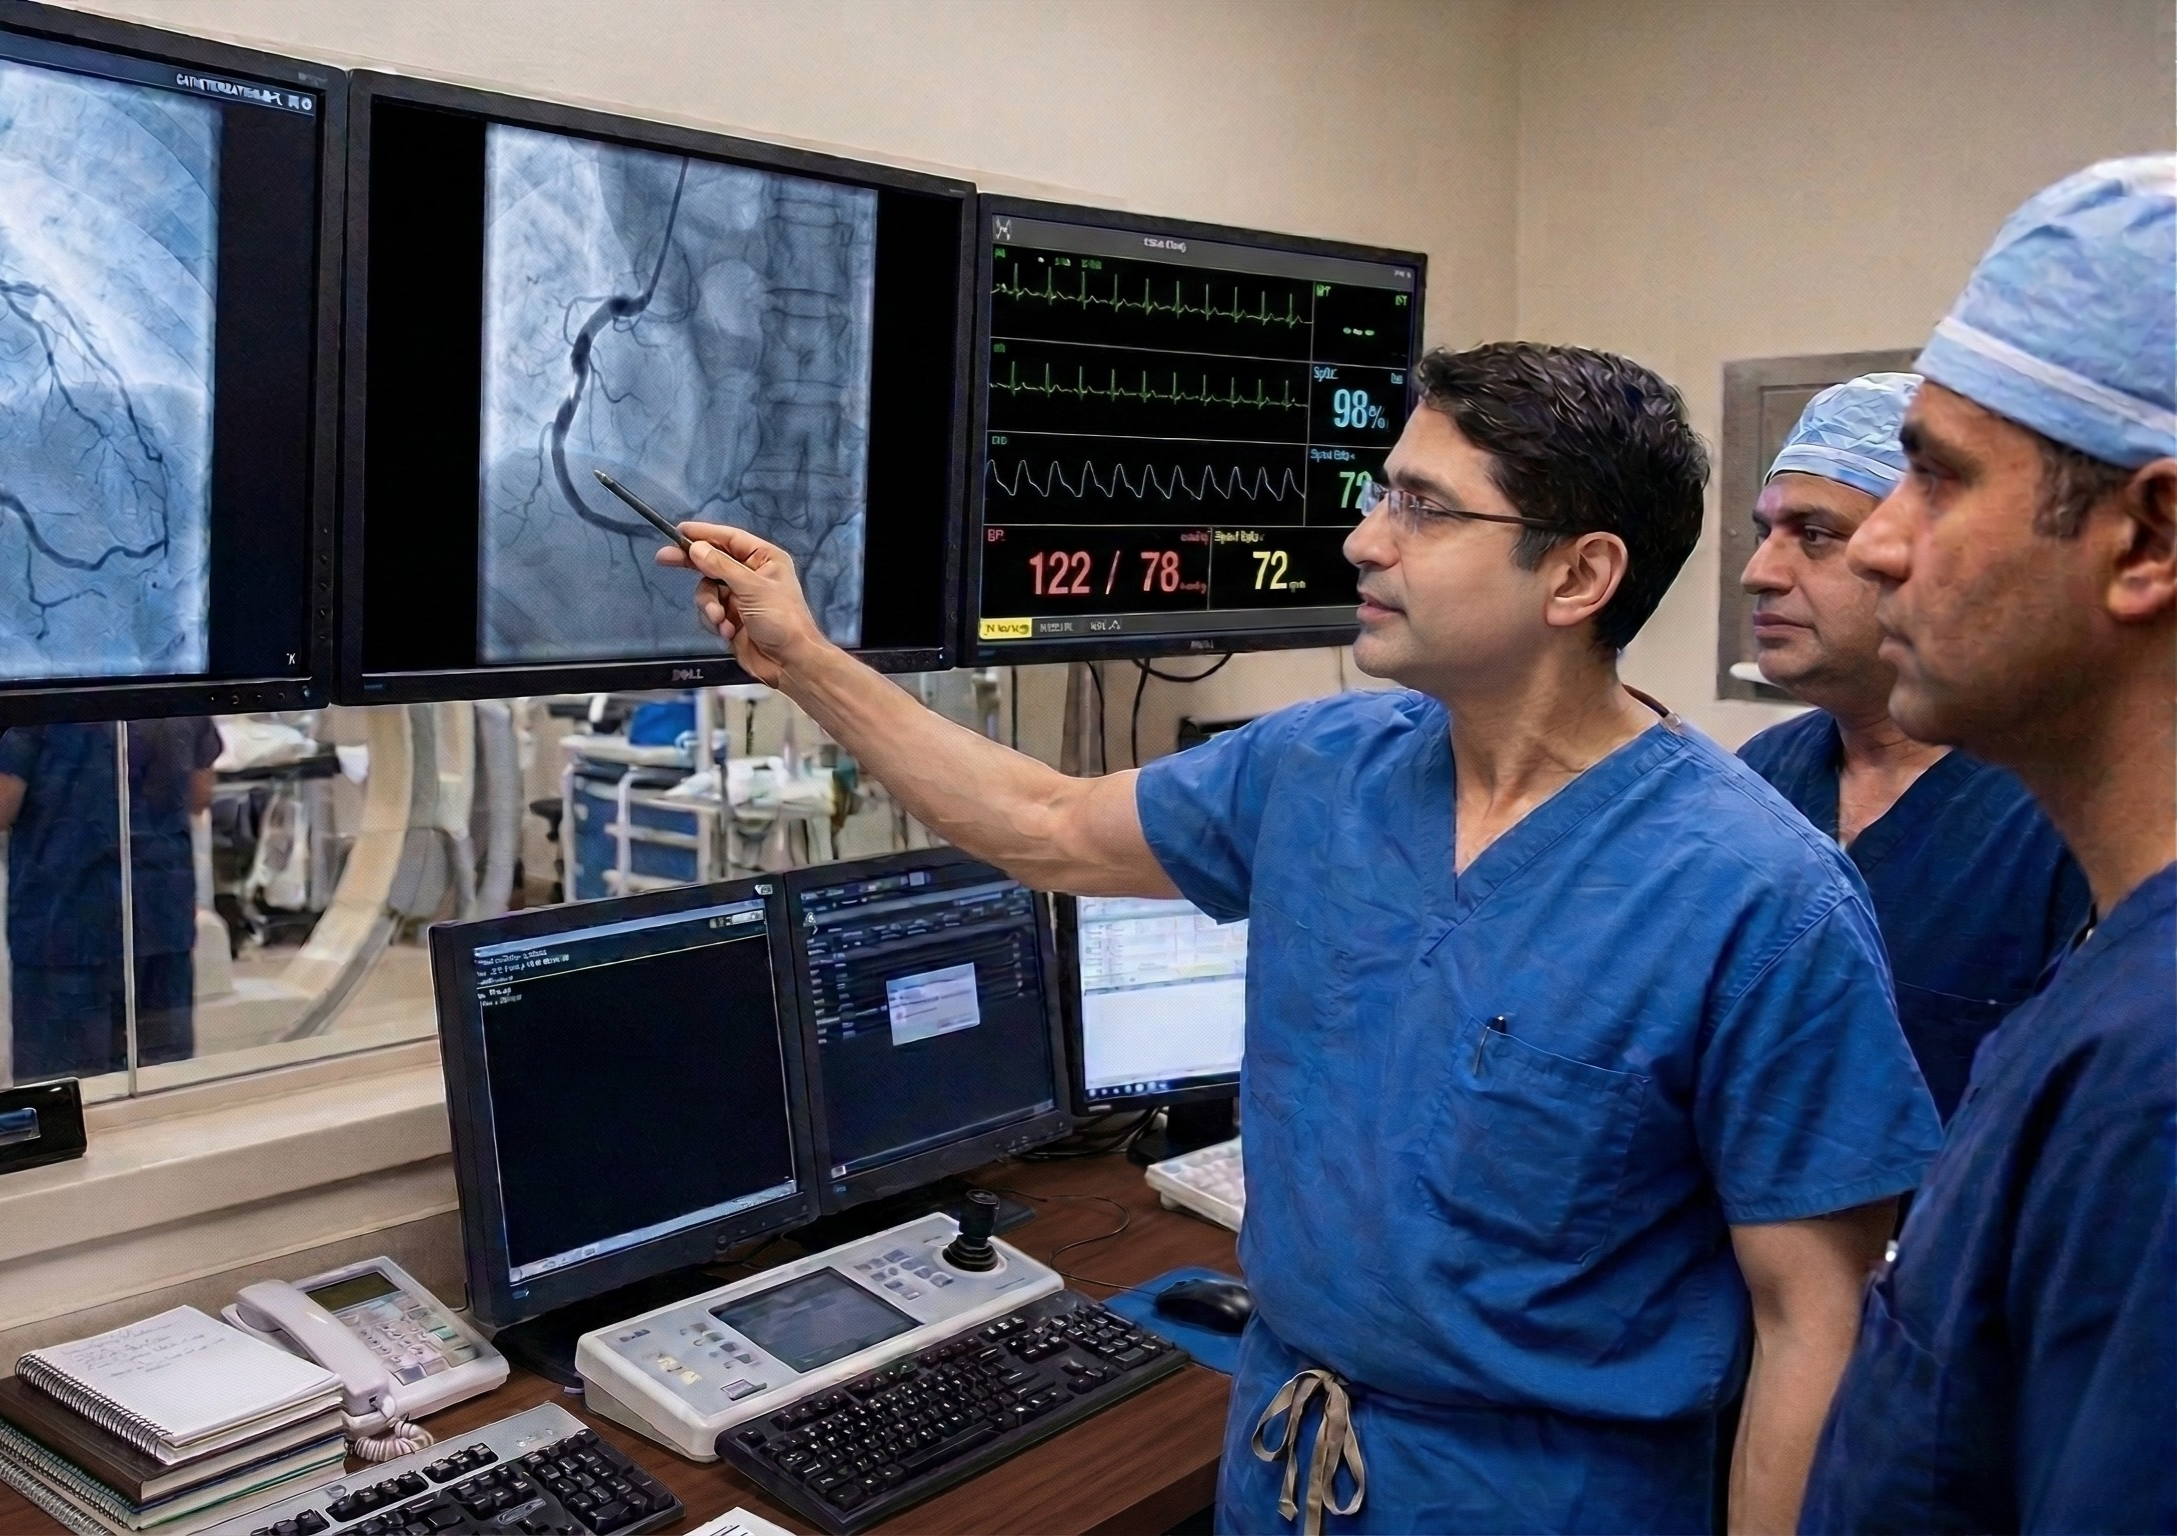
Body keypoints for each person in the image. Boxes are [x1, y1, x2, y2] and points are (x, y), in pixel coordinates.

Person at [661, 342, 1943, 1534]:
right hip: (1285, 1459)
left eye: (1425, 510)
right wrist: (805, 659)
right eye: (1382, 493)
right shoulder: (1321, 771)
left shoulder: (1762, 898)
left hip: (1543, 1497)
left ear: (1578, 575)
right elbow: (1043, 823)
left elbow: (1810, 1325)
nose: (1362, 540)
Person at [1801, 156, 2176, 1534]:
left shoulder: (2154, 1089)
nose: (1879, 549)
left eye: (1934, 479)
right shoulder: (2109, 980)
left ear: (2147, 536)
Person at [1738, 373, 2089, 1118]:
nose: (1759, 572)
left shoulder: (2060, 813)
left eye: (1815, 535)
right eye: (1764, 532)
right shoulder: (1757, 782)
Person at [0, 717, 221, 1081]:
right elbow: (200, 794)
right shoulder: (176, 678)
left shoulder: (32, 684)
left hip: (66, 925)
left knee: (68, 1098)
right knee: (162, 1091)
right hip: (158, 917)